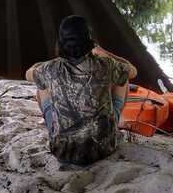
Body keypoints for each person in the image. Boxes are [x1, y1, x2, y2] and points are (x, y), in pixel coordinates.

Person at [26, 15, 137, 165]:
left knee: (41, 85)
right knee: (123, 78)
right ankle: (113, 125)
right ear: (89, 40)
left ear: (61, 42)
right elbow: (132, 71)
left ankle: (54, 125)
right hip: (104, 148)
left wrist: (48, 64)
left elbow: (28, 74)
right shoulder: (107, 64)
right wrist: (103, 52)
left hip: (63, 151)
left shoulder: (50, 68)